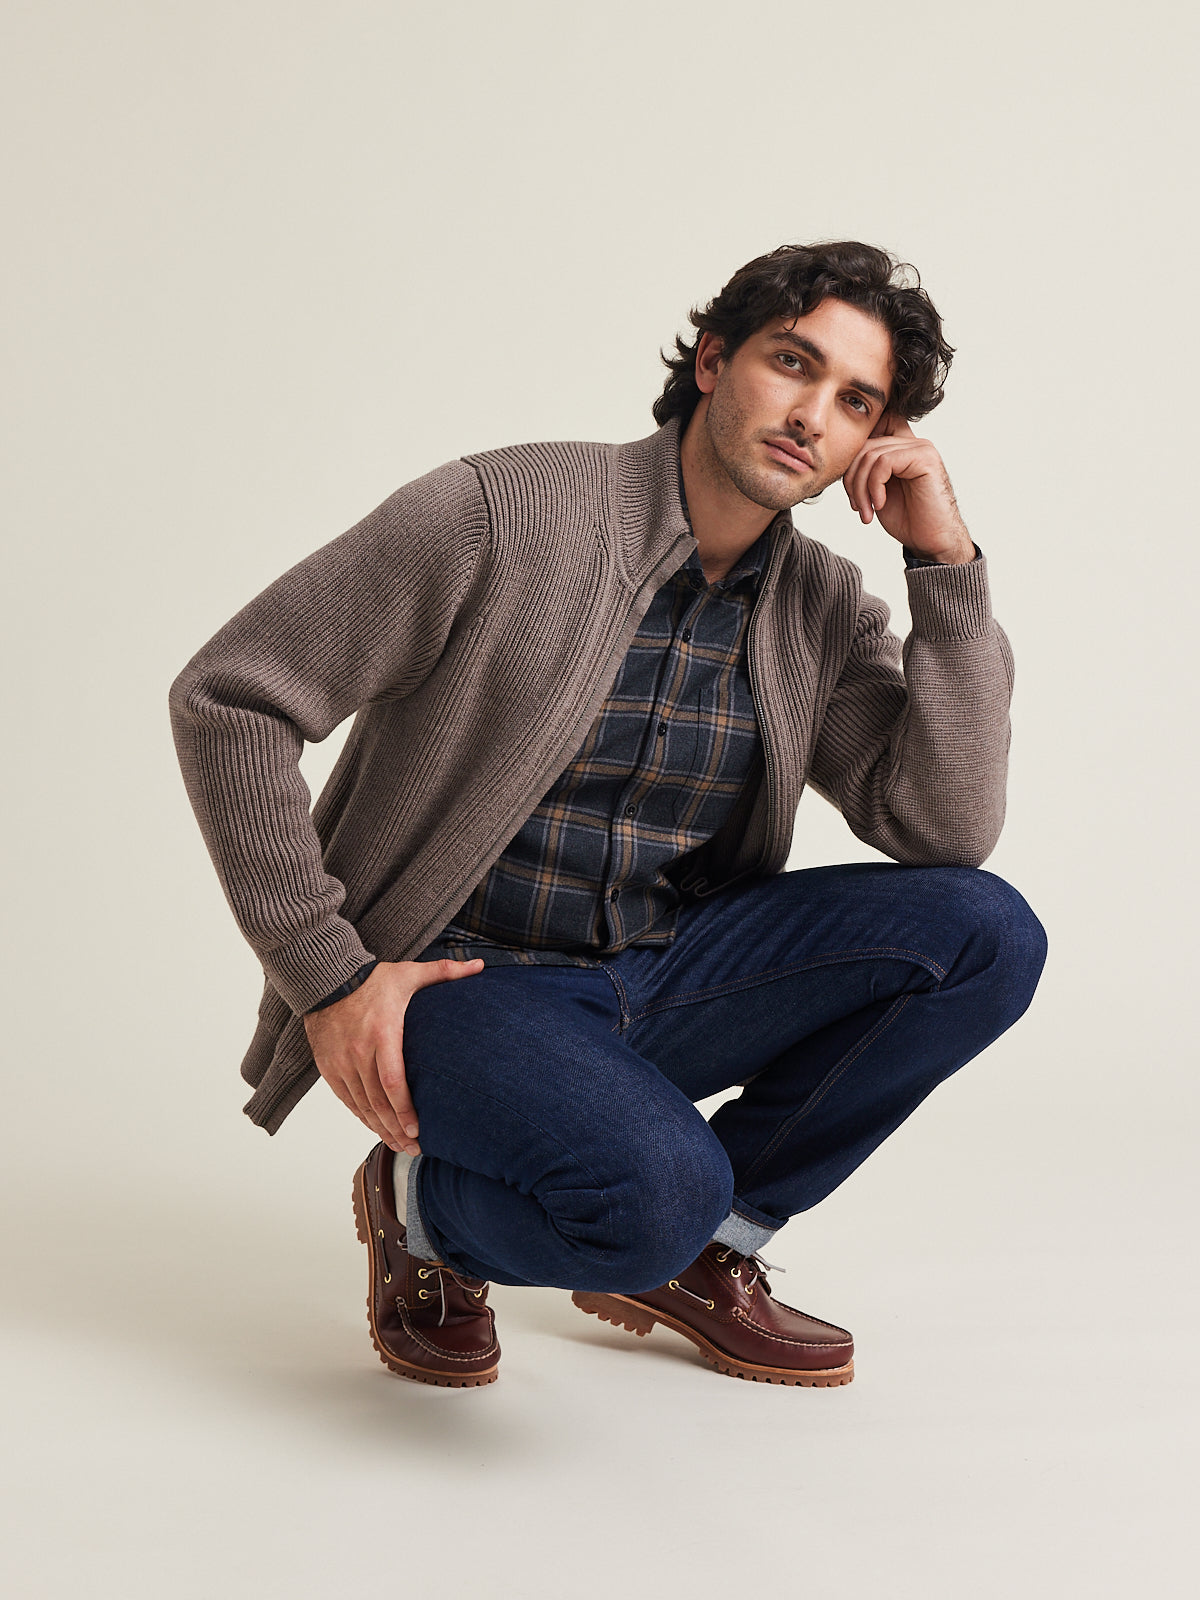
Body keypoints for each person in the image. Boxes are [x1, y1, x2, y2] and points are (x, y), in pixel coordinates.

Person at [169, 240, 1047, 1392]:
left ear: (869, 446)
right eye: (793, 363)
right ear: (714, 360)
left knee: (985, 931)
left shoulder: (821, 607)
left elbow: (944, 825)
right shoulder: (499, 512)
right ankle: (427, 1213)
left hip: (663, 971)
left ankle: (706, 1249)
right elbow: (231, 696)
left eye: (855, 401)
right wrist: (325, 976)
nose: (810, 414)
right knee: (653, 1193)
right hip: (462, 987)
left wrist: (947, 565)